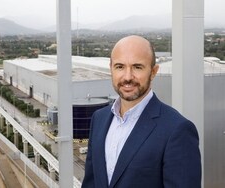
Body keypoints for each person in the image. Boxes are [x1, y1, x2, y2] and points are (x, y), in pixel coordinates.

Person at [82, 35, 201, 188]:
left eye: (137, 67)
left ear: (153, 71)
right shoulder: (99, 119)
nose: (127, 77)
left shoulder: (177, 130)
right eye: (120, 67)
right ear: (111, 68)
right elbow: (91, 182)